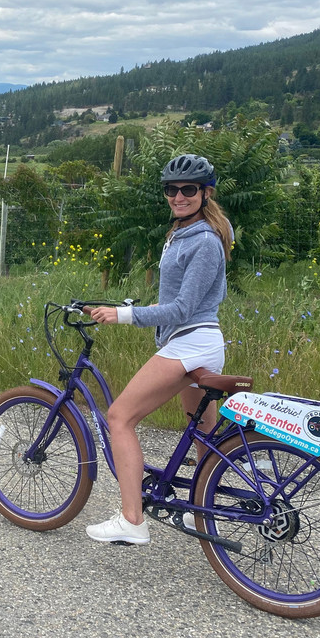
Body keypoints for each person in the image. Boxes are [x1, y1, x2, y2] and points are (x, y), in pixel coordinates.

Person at [83, 153, 233, 545]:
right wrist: (142, 307)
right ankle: (207, 514)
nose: (178, 196)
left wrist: (124, 315)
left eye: (188, 189)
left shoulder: (204, 240)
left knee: (119, 418)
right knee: (204, 434)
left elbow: (183, 309)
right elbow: (182, 299)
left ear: (206, 192)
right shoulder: (184, 232)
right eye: (171, 189)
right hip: (198, 343)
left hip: (191, 344)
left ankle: (132, 520)